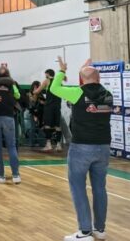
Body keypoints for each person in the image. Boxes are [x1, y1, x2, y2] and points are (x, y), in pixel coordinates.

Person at [50, 57, 113, 241]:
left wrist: (62, 71)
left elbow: (54, 88)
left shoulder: (76, 93)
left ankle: (85, 232)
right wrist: (85, 72)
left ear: (81, 79)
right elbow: (91, 85)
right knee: (99, 188)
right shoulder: (108, 94)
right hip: (103, 147)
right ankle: (99, 229)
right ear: (99, 78)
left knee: (78, 187)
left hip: (81, 148)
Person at [34, 69, 64, 152]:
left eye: (45, 74)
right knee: (57, 126)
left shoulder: (47, 81)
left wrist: (34, 90)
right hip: (57, 106)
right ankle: (58, 145)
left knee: (47, 125)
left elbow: (37, 91)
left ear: (47, 74)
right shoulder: (59, 82)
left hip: (49, 106)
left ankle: (48, 145)